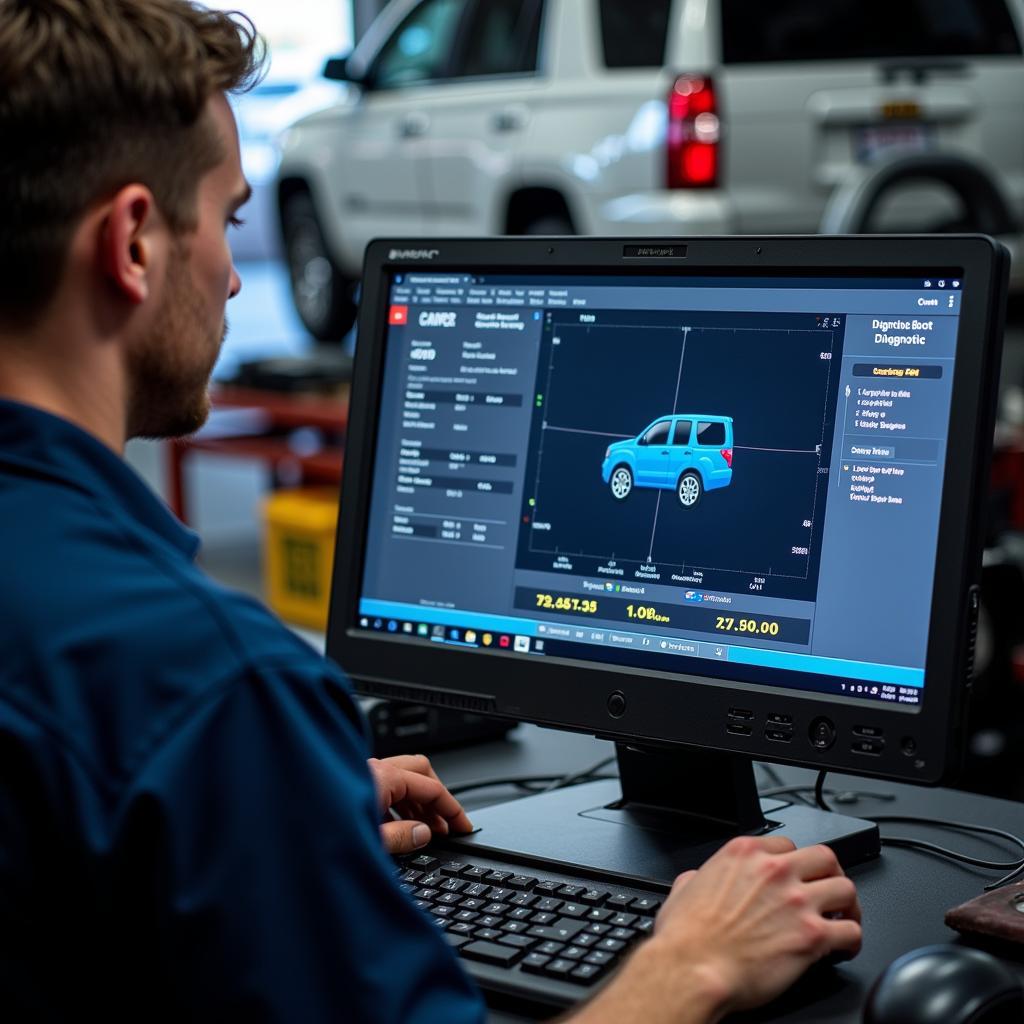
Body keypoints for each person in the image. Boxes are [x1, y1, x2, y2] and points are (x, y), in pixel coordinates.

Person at [0, 1, 862, 1021]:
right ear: (135, 240)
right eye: (228, 221)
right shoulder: (207, 689)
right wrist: (693, 962)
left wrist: (256, 812)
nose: (235, 274)